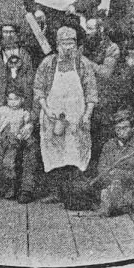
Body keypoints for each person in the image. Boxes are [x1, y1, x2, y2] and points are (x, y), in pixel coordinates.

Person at [34, 26, 98, 205]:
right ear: (57, 45)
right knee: (54, 153)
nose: (68, 47)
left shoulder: (83, 64)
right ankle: (56, 192)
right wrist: (46, 110)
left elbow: (91, 91)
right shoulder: (48, 64)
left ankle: (73, 193)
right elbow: (38, 89)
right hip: (53, 116)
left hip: (76, 117)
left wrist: (87, 114)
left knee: (75, 152)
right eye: (64, 44)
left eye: (72, 44)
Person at [0, 24, 37, 202]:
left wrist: (30, 123)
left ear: (17, 35)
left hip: (21, 118)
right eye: (5, 32)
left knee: (30, 143)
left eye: (12, 32)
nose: (9, 36)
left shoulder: (25, 58)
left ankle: (26, 188)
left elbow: (34, 92)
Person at [94, 108, 134, 216]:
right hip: (110, 186)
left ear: (132, 128)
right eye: (118, 128)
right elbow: (101, 170)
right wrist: (112, 180)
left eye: (125, 128)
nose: (121, 131)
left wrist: (120, 174)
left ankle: (116, 204)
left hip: (132, 189)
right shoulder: (109, 145)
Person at [81, 17, 121, 171]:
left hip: (104, 98)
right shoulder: (83, 47)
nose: (87, 32)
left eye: (91, 29)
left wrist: (87, 63)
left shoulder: (112, 48)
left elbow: (106, 73)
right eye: (86, 28)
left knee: (101, 137)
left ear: (101, 29)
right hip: (85, 97)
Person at [0, 89, 34, 199]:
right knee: (1, 163)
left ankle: (12, 187)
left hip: (14, 141)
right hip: (2, 140)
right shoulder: (1, 110)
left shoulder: (23, 112)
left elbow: (28, 125)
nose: (13, 102)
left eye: (16, 99)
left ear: (22, 100)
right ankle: (7, 186)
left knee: (8, 163)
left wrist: (24, 131)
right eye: (10, 99)